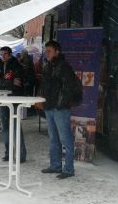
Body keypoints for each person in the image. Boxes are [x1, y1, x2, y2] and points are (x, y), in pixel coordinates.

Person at [40, 40, 82, 179]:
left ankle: (69, 169)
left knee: (65, 139)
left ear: (57, 52)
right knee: (53, 139)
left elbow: (68, 88)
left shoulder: (64, 67)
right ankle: (55, 165)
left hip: (60, 108)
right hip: (50, 107)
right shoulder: (48, 66)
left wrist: (59, 104)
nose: (47, 53)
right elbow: (46, 86)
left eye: (49, 51)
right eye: (46, 51)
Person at [0, 46, 27, 163]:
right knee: (5, 127)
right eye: (1, 54)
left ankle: (21, 154)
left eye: (5, 54)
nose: (3, 56)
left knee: (16, 126)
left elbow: (17, 83)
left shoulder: (16, 65)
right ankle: (8, 153)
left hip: (15, 99)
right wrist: (8, 82)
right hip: (2, 99)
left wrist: (4, 83)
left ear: (11, 54)